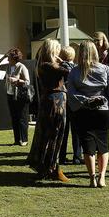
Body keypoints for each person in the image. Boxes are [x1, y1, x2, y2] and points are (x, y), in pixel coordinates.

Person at [67, 40, 109, 188]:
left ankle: (92, 178)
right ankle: (102, 177)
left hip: (83, 112)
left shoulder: (75, 71)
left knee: (88, 146)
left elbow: (71, 93)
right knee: (103, 144)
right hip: (103, 111)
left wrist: (86, 100)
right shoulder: (105, 69)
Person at [27, 39, 70, 182]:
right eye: (57, 50)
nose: (60, 53)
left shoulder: (42, 64)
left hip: (50, 101)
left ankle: (49, 166)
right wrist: (63, 61)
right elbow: (70, 70)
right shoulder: (49, 65)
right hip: (55, 103)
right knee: (54, 134)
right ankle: (50, 167)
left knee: (49, 134)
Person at [0, 48, 31, 146]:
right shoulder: (8, 66)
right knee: (14, 118)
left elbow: (28, 82)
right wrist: (3, 56)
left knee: (22, 118)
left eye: (9, 56)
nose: (7, 58)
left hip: (20, 95)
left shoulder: (21, 67)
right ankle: (16, 140)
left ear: (14, 58)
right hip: (10, 94)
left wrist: (17, 80)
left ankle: (24, 140)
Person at [58, 45, 82, 165]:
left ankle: (61, 156)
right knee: (76, 130)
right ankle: (77, 156)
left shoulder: (59, 68)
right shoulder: (76, 68)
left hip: (64, 101)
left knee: (64, 130)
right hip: (74, 100)